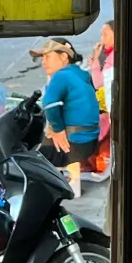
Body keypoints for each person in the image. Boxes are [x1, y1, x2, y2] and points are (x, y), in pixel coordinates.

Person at [33, 39, 98, 195]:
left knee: (32, 160)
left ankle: (52, 189)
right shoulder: (81, 73)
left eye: (48, 57)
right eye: (42, 58)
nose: (43, 62)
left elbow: (49, 104)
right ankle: (72, 183)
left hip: (75, 142)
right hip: (90, 139)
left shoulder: (60, 76)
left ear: (64, 56)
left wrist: (58, 129)